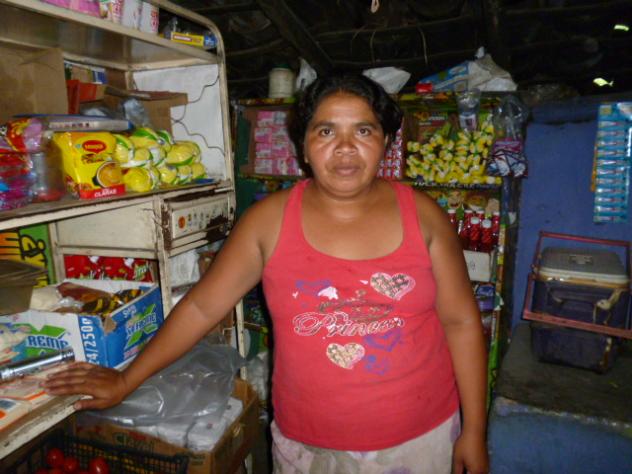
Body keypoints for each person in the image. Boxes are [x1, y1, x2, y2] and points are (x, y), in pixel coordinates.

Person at [44, 73, 489, 474]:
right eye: (326, 131)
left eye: (364, 130)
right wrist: (126, 380)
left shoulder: (424, 217)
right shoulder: (268, 222)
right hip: (309, 446)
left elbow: (462, 322)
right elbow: (202, 308)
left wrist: (475, 431)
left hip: (419, 440)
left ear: (387, 141)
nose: (345, 147)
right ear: (303, 145)